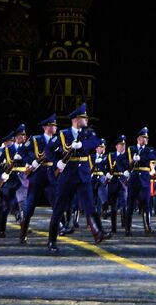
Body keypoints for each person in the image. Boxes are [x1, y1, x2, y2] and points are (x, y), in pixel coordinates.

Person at [47, 103, 108, 251]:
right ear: (76, 119)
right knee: (59, 208)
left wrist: (81, 145)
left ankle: (99, 233)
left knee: (90, 207)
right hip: (67, 174)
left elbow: (95, 142)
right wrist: (58, 162)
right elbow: (49, 149)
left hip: (83, 175)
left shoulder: (88, 133)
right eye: (84, 117)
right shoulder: (63, 134)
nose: (86, 119)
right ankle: (52, 241)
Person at [16, 114, 63, 244]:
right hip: (37, 176)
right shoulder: (35, 140)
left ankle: (53, 238)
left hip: (51, 175)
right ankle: (23, 234)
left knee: (57, 204)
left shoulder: (59, 139)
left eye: (55, 125)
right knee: (30, 207)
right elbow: (22, 152)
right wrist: (32, 162)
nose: (55, 127)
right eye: (52, 125)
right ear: (46, 127)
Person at [126, 128, 156, 236]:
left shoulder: (149, 149)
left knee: (146, 204)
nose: (146, 139)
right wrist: (132, 161)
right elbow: (128, 163)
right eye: (144, 138)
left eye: (146, 138)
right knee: (130, 203)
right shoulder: (131, 149)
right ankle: (128, 228)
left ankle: (147, 227)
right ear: (139, 139)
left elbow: (152, 157)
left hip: (145, 179)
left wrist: (140, 158)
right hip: (134, 178)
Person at [104, 135, 130, 235]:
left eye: (124, 145)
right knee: (113, 206)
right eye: (120, 145)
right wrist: (106, 173)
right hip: (113, 181)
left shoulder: (128, 156)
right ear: (116, 146)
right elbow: (104, 165)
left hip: (123, 181)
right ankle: (113, 227)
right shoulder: (111, 156)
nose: (122, 146)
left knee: (124, 203)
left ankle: (125, 225)